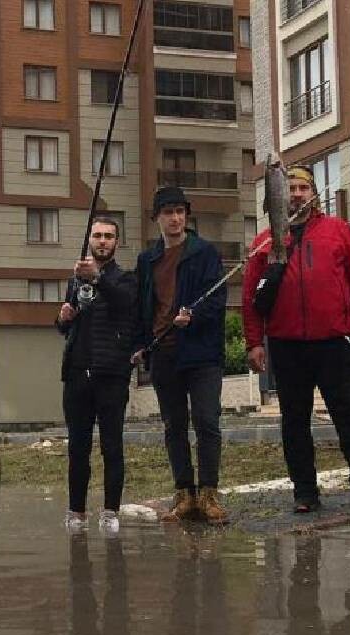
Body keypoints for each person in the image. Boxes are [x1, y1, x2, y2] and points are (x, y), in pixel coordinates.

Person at [241, 164, 350, 514]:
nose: (295, 194)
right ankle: (304, 491)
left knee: (349, 416)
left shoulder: (338, 230)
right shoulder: (265, 240)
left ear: (314, 193)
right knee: (294, 422)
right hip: (286, 344)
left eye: (302, 188)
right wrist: (254, 341)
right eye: (289, 188)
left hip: (334, 341)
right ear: (277, 196)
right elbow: (250, 296)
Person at [130, 186, 229, 524]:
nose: (175, 218)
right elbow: (143, 308)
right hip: (163, 354)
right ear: (156, 217)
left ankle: (209, 494)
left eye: (180, 212)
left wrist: (193, 317)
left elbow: (216, 301)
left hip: (201, 354)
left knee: (206, 421)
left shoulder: (204, 253)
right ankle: (184, 494)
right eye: (168, 212)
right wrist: (140, 344)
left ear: (186, 216)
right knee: (174, 426)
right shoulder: (147, 260)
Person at [56, 216, 137, 534]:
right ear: (89, 239)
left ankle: (110, 511)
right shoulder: (75, 279)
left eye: (109, 236)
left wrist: (99, 278)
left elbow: (125, 304)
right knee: (77, 448)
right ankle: (76, 511)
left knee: (112, 446)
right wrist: (63, 318)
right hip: (77, 373)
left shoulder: (126, 278)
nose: (102, 241)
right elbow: (67, 327)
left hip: (112, 374)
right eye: (97, 235)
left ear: (116, 243)